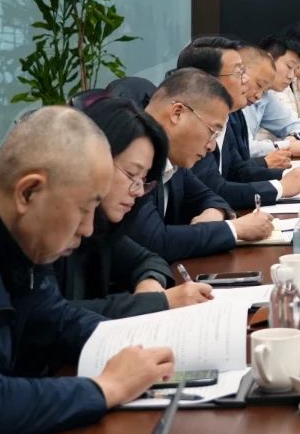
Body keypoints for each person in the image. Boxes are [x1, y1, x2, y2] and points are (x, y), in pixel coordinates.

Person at [0, 106, 175, 434]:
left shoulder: (8, 228)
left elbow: (56, 319)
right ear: (28, 192)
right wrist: (108, 387)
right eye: (83, 209)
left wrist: (141, 345)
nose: (88, 228)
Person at [49, 97, 214, 317]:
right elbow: (51, 317)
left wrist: (150, 285)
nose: (137, 191)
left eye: (143, 179)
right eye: (131, 174)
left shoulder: (101, 226)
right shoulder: (48, 231)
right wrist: (158, 302)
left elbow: (149, 260)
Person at [123, 69, 274, 262]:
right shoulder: (132, 160)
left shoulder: (173, 157)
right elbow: (154, 241)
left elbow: (210, 196)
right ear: (177, 113)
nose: (211, 146)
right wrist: (235, 229)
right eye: (212, 131)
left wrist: (216, 212)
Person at [178, 38, 300, 209]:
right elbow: (215, 189)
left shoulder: (232, 115)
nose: (245, 80)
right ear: (207, 80)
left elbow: (237, 171)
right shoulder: (192, 125)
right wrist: (281, 187)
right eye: (238, 73)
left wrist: (292, 175)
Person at [247, 35, 300, 159]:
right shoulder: (241, 92)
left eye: (295, 70)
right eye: (289, 67)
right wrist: (292, 147)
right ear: (269, 60)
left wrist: (294, 140)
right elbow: (244, 148)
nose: (291, 76)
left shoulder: (267, 95)